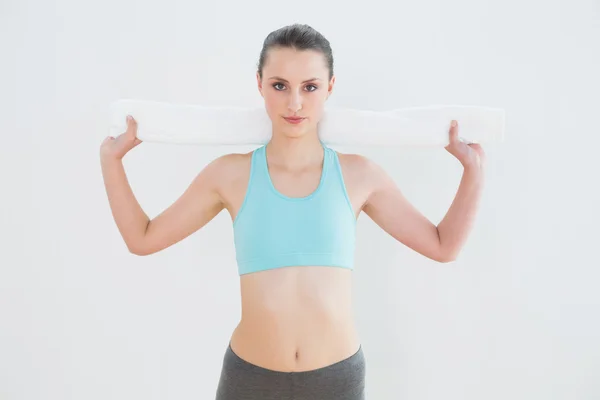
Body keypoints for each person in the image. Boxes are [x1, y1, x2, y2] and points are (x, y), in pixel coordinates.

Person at [100, 23, 485, 400]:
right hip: (250, 379)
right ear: (260, 84)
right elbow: (143, 238)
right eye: (280, 86)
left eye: (310, 87)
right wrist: (111, 162)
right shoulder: (229, 174)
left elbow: (442, 245)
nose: (295, 103)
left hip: (336, 381)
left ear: (330, 86)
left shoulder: (359, 175)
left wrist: (474, 170)